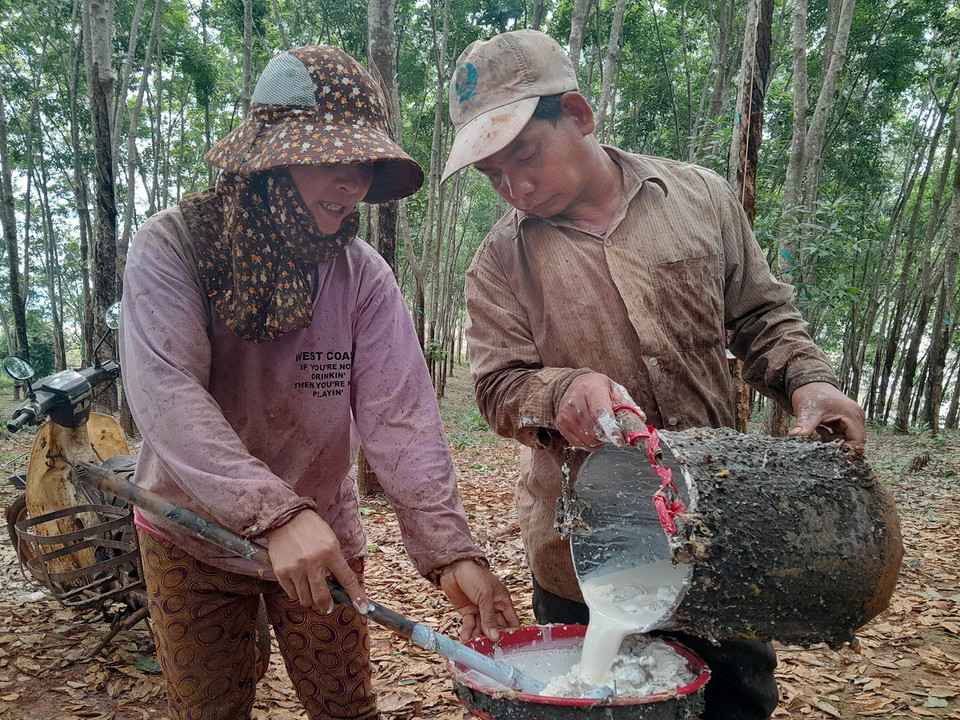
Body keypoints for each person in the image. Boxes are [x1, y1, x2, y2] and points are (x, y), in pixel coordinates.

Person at [441, 29, 866, 720]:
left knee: (733, 704)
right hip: (584, 553)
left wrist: (807, 382)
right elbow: (496, 387)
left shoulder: (699, 199)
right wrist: (560, 394)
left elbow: (761, 318)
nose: (513, 186)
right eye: (492, 174)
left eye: (524, 156)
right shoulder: (499, 263)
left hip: (718, 537)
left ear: (576, 114)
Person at [120, 45, 519, 720]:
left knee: (344, 706)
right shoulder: (174, 246)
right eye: (332, 161)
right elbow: (167, 394)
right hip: (191, 536)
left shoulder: (360, 274)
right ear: (270, 159)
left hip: (323, 542)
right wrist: (273, 513)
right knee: (208, 708)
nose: (352, 184)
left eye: (362, 165)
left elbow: (402, 417)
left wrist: (450, 549)